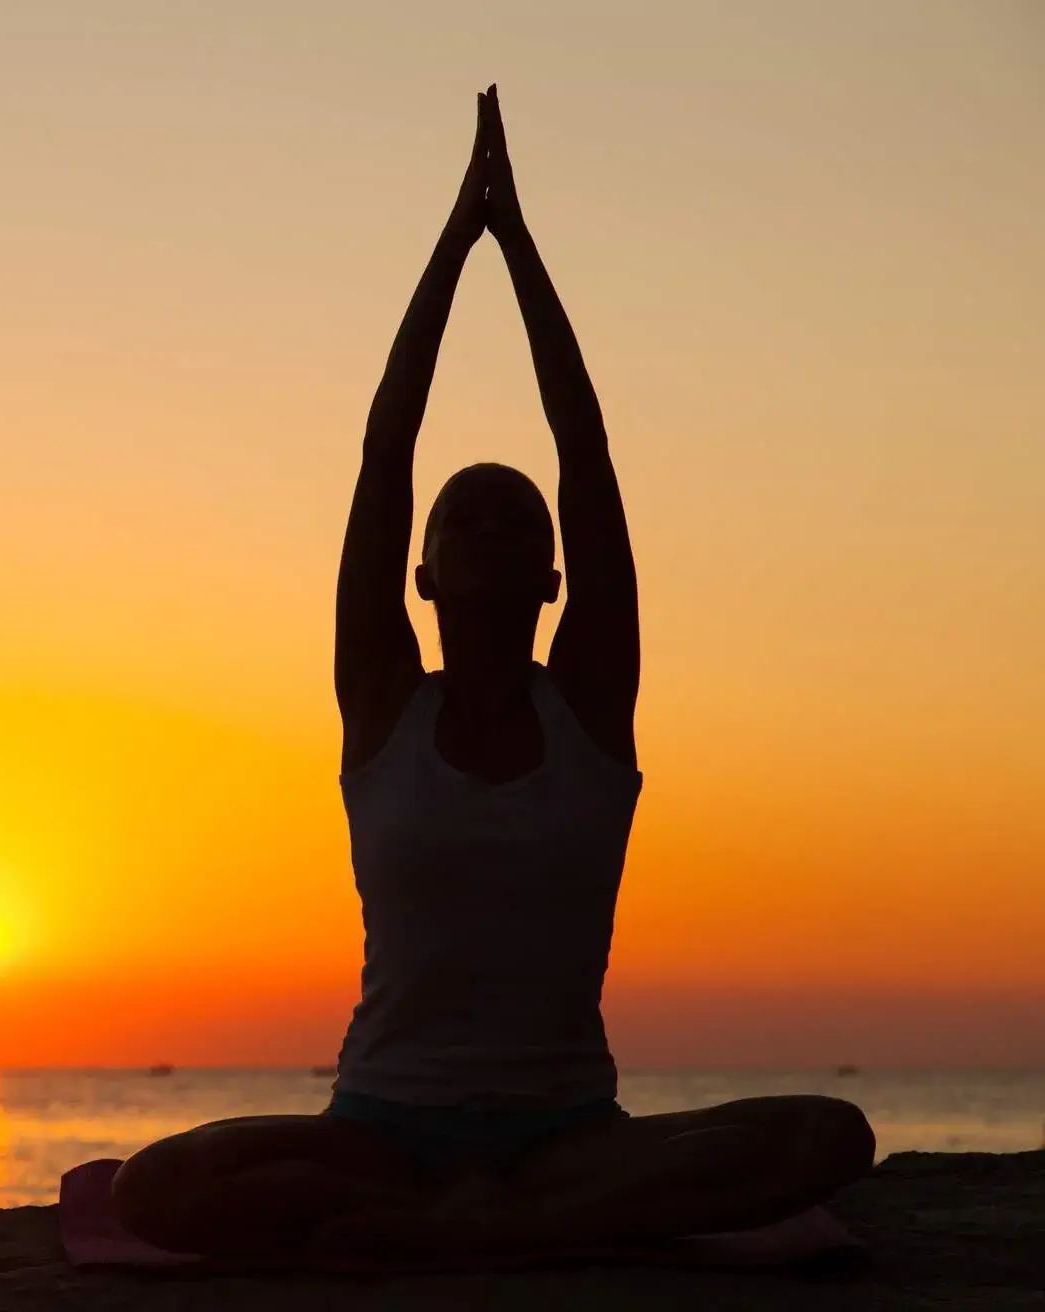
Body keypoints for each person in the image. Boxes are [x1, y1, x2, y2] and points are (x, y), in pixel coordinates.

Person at [108, 86, 875, 1260]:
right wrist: (451, 244)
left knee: (830, 1135)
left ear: (553, 578)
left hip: (566, 1130)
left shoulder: (589, 709)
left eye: (515, 522)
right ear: (421, 577)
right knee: (156, 1184)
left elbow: (587, 451)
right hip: (379, 1125)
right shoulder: (383, 707)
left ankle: (476, 1227)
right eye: (463, 521)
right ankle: (506, 1229)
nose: (490, 528)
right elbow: (385, 448)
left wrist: (517, 243)